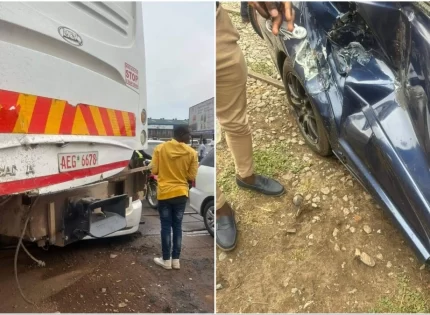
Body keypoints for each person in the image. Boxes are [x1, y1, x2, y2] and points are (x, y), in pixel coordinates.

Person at [216, 2, 295, 251]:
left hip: (217, 38)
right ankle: (218, 207)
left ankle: (246, 176)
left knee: (236, 121)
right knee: (189, 141)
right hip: (173, 47)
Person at [151, 125, 198, 269]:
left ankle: (166, 260)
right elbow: (191, 176)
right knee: (177, 226)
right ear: (181, 134)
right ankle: (176, 260)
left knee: (166, 226)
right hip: (181, 193)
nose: (190, 137)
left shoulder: (160, 149)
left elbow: (155, 170)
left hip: (164, 193)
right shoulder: (192, 153)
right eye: (189, 134)